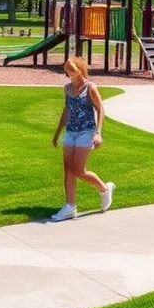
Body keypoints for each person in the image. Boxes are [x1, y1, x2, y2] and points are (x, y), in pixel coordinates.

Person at [50, 57, 115, 221]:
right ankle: (70, 206)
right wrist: (58, 132)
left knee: (79, 170)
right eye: (67, 71)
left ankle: (104, 189)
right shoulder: (67, 88)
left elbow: (100, 110)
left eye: (72, 70)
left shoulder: (90, 87)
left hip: (86, 131)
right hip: (70, 132)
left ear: (79, 70)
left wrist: (98, 133)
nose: (70, 74)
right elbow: (67, 110)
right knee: (68, 169)